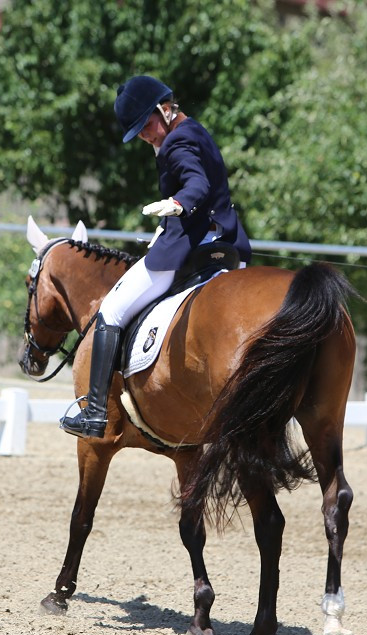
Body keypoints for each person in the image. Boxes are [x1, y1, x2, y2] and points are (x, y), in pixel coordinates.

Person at [60, 75, 251, 438]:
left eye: (147, 125)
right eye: (140, 133)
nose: (146, 136)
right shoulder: (193, 129)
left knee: (111, 310)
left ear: (164, 108)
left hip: (188, 246)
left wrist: (178, 204)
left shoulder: (177, 141)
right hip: (228, 243)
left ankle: (96, 413)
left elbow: (197, 184)